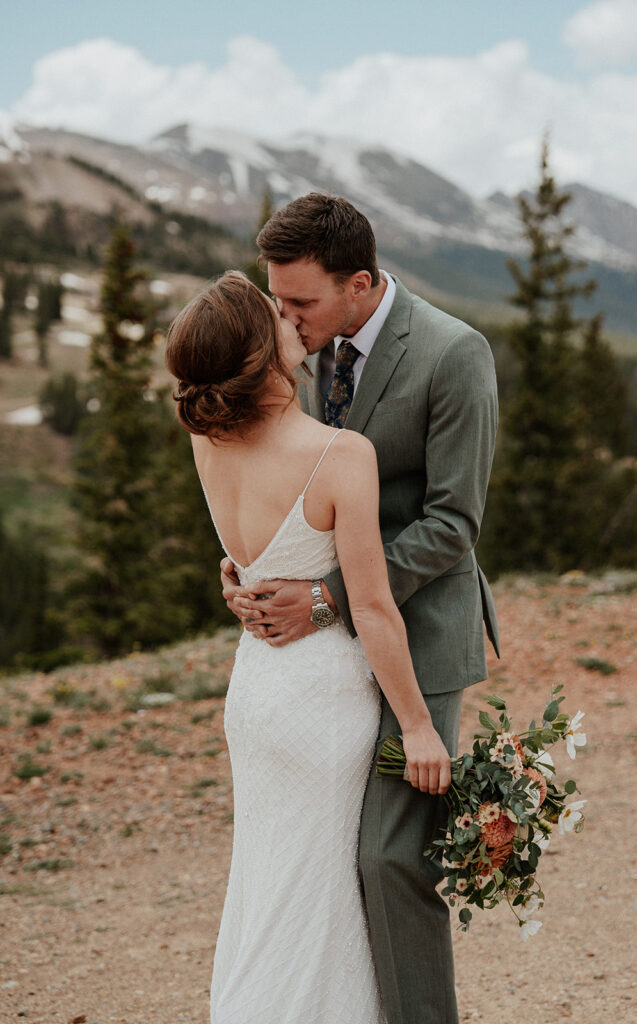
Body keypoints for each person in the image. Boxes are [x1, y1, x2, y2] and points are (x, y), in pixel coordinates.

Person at [221, 193, 500, 1024]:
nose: (286, 318)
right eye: (277, 299)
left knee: (386, 858)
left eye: (300, 302)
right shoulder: (300, 355)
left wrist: (325, 596)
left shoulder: (454, 354)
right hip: (328, 664)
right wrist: (245, 565)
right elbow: (289, 482)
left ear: (360, 282)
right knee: (324, 854)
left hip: (419, 638)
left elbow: (454, 522)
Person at [165, 269, 454, 1024]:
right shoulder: (338, 455)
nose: (293, 321)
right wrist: (419, 727)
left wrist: (234, 578)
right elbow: (374, 609)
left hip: (256, 691)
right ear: (263, 355)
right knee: (322, 901)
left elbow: (245, 557)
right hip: (323, 702)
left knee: (265, 889)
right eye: (277, 316)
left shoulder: (207, 442)